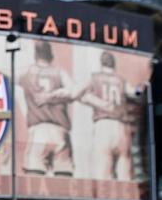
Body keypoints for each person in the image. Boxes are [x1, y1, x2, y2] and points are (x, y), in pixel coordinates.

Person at [66, 51, 137, 180]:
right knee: (124, 173)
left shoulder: (94, 77)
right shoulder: (121, 80)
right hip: (121, 127)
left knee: (103, 174)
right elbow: (135, 93)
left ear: (101, 63)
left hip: (103, 125)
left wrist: (90, 100)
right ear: (114, 64)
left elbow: (74, 93)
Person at [21, 40, 78, 177]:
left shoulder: (27, 72)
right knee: (64, 178)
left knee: (33, 179)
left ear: (35, 55)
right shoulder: (60, 73)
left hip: (39, 131)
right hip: (60, 132)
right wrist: (54, 95)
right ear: (51, 55)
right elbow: (73, 91)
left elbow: (6, 74)